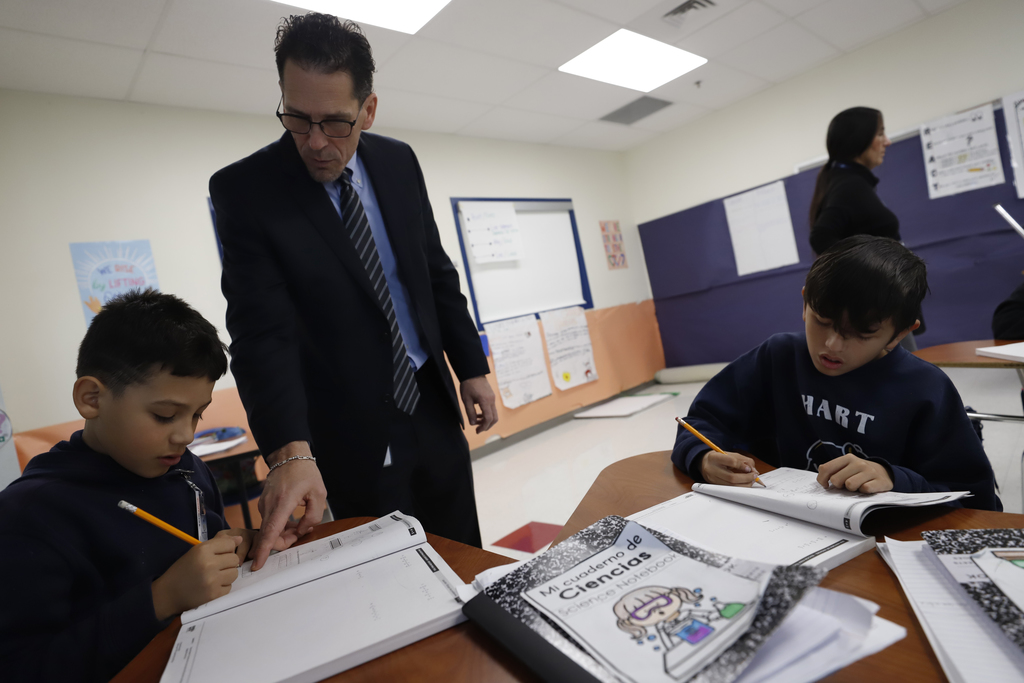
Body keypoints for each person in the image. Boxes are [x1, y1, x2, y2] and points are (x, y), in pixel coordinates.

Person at [211, 13, 496, 566]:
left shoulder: (397, 162)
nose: (315, 142)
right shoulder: (246, 191)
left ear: (368, 109)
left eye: (335, 123)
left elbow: (434, 272)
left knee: (462, 548)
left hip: (430, 401)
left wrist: (472, 367)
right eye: (297, 118)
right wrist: (290, 451)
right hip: (346, 427)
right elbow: (260, 331)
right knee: (387, 566)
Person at [0, 290, 263, 681]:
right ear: (92, 398)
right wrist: (161, 598)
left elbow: (205, 545)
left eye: (197, 415)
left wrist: (241, 544)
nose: (185, 436)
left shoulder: (186, 469)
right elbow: (23, 669)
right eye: (165, 415)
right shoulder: (30, 515)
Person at [671, 236, 1001, 511]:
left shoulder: (925, 389)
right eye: (822, 321)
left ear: (901, 333)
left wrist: (894, 479)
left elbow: (975, 500)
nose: (832, 344)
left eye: (862, 333)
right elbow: (699, 424)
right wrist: (703, 457)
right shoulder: (778, 357)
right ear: (805, 303)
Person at [808, 107, 897, 255]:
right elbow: (821, 237)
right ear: (860, 139)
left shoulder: (849, 182)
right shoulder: (850, 186)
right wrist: (872, 270)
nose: (887, 142)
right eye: (880, 134)